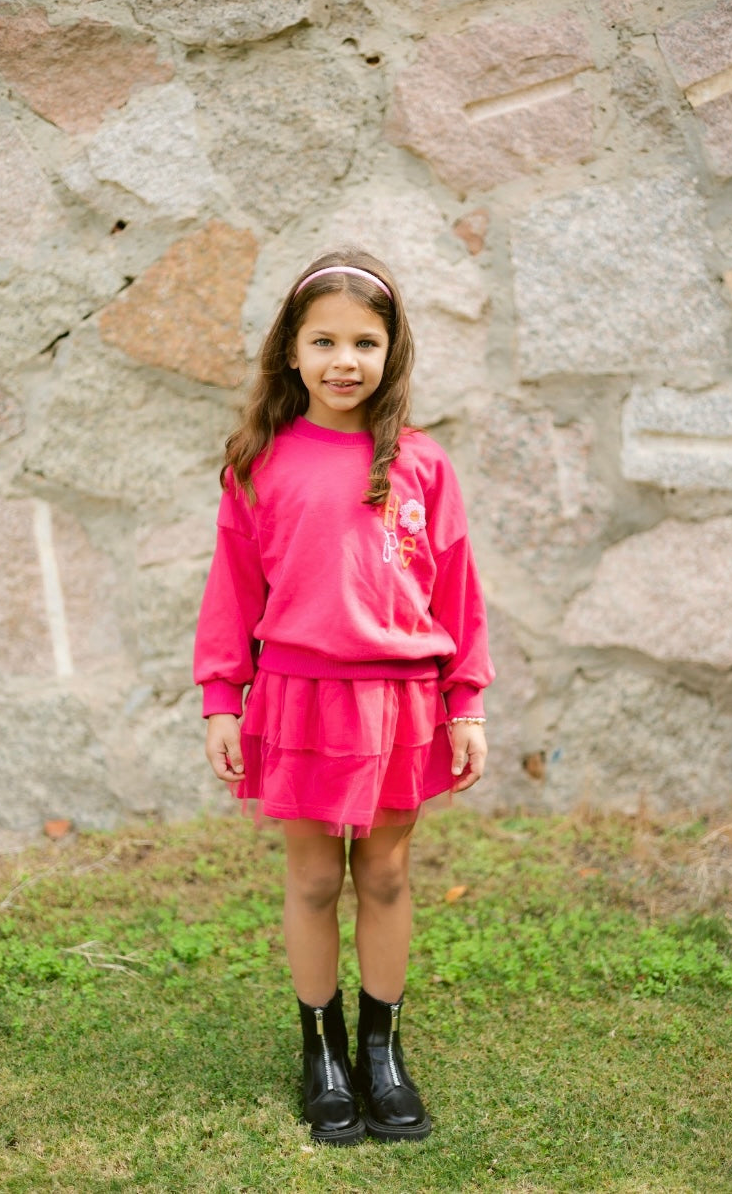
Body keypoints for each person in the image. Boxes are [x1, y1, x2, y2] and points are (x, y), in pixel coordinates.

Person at [194, 250, 494, 1146]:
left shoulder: (422, 464)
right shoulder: (259, 461)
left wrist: (466, 701)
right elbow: (232, 591)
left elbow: (459, 593)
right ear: (291, 351)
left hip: (400, 696)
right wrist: (221, 697)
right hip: (300, 694)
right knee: (317, 876)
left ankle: (382, 1050)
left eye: (365, 341)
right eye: (323, 339)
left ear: (391, 350)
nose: (343, 360)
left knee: (389, 874)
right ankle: (320, 1052)